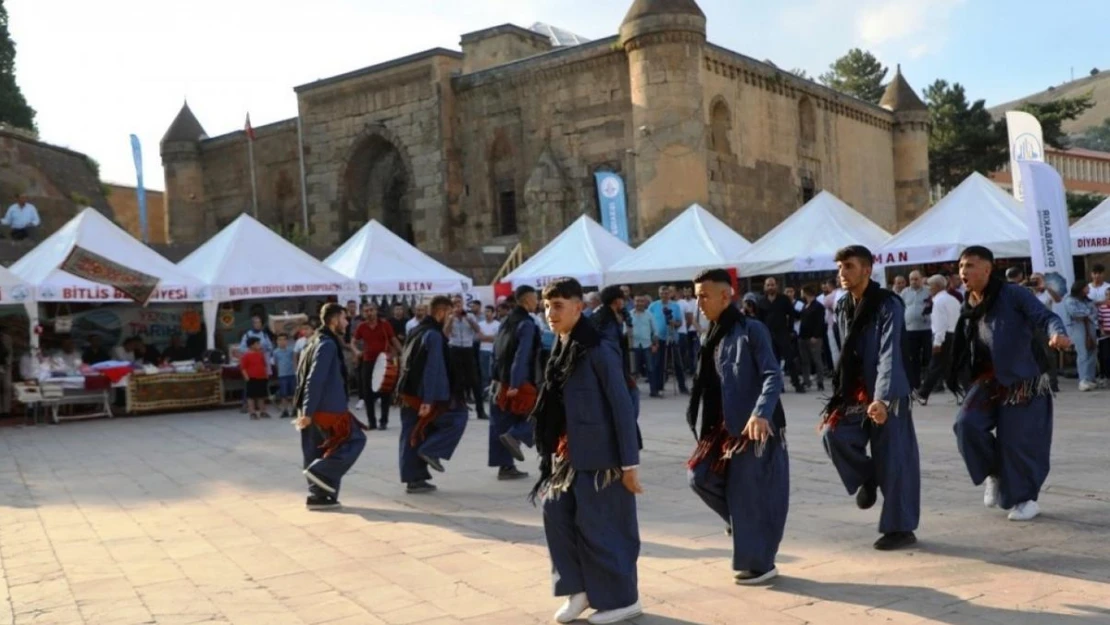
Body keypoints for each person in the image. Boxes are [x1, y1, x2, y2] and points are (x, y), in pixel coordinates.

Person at [533, 277, 641, 625]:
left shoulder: (598, 347)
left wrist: (628, 464)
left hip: (603, 455)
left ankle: (623, 599)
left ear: (579, 307)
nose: (551, 313)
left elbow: (622, 405)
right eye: (547, 306)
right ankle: (578, 589)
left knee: (601, 528)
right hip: (570, 453)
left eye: (558, 305)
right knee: (554, 509)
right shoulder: (561, 345)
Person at [950, 246, 1070, 522]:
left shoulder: (1013, 293)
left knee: (1018, 444)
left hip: (1022, 381)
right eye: (960, 267)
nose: (963, 272)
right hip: (989, 380)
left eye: (969, 265)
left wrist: (1057, 335)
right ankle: (993, 472)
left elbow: (1047, 318)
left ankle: (1025, 500)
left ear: (987, 269)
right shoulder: (968, 302)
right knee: (966, 425)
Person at [687, 269, 788, 585]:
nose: (698, 302)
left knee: (751, 494)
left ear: (725, 296)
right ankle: (740, 522)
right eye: (696, 295)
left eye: (703, 295)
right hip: (722, 427)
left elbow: (772, 374)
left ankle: (762, 565)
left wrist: (761, 413)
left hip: (752, 428)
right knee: (699, 476)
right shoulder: (710, 335)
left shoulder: (751, 330)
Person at [820, 245, 920, 551]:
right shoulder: (841, 305)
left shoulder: (888, 304)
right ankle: (867, 476)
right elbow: (838, 347)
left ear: (867, 269)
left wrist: (882, 398)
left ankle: (900, 528)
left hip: (888, 393)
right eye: (839, 268)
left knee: (895, 459)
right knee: (832, 433)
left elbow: (890, 352)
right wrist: (840, 391)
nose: (842, 273)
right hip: (855, 392)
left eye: (848, 266)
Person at [293, 303, 368, 510]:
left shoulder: (312, 342)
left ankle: (319, 497)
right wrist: (308, 412)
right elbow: (314, 379)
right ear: (334, 320)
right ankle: (321, 473)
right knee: (355, 439)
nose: (347, 323)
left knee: (318, 450)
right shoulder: (326, 344)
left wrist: (305, 409)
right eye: (344, 318)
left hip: (314, 406)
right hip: (326, 408)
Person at [395, 296, 469, 494]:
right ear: (441, 312)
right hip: (423, 395)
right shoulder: (433, 335)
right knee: (458, 417)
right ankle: (432, 451)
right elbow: (432, 367)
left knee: (412, 433)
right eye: (449, 314)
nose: (450, 318)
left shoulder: (415, 330)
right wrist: (428, 400)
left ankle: (414, 479)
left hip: (408, 391)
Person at [489, 286, 541, 481]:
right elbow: (522, 355)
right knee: (541, 412)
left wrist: (494, 378)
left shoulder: (505, 321)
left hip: (500, 379)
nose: (537, 303)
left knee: (502, 421)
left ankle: (505, 466)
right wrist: (516, 383)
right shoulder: (527, 324)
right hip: (518, 380)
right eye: (535, 299)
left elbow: (496, 351)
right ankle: (517, 435)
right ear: (527, 301)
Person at [592, 285, 641, 428]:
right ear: (617, 301)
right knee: (632, 394)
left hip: (612, 365)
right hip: (611, 367)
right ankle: (627, 426)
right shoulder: (606, 320)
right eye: (622, 299)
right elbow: (609, 345)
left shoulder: (605, 315)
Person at [354, 303, 402, 429]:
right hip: (367, 361)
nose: (369, 313)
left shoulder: (385, 324)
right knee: (367, 393)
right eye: (366, 311)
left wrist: (402, 353)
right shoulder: (361, 326)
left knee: (385, 391)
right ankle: (372, 422)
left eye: (371, 310)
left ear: (376, 311)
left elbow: (393, 339)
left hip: (383, 361)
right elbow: (353, 341)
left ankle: (384, 421)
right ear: (363, 313)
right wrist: (356, 351)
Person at [915, 275, 960, 405]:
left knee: (935, 366)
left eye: (929, 285)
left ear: (936, 287)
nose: (928, 288)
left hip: (943, 336)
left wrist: (937, 342)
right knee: (948, 367)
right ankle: (959, 392)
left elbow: (941, 324)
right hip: (954, 335)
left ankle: (923, 394)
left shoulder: (939, 302)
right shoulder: (952, 299)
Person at [445, 295, 489, 420]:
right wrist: (451, 319)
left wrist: (467, 318)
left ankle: (480, 410)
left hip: (468, 349)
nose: (457, 306)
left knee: (475, 380)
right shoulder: (449, 317)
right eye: (454, 303)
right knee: (457, 380)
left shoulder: (470, 316)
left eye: (459, 303)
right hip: (454, 348)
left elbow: (477, 330)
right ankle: (460, 409)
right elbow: (445, 333)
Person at [757, 277, 803, 393]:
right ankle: (779, 385)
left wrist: (790, 329)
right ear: (765, 287)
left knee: (789, 359)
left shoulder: (784, 299)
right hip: (768, 335)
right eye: (768, 285)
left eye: (772, 285)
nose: (770, 287)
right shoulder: (761, 301)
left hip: (783, 333)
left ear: (776, 286)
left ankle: (796, 384)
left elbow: (791, 314)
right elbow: (759, 319)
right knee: (773, 362)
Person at [648, 286, 687, 397]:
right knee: (658, 363)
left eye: (666, 293)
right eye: (662, 293)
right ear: (659, 294)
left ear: (669, 294)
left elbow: (680, 322)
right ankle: (658, 386)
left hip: (673, 337)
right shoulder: (653, 306)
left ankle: (682, 386)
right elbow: (649, 321)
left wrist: (674, 323)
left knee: (678, 363)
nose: (664, 295)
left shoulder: (675, 306)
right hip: (658, 338)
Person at [1063, 281, 1098, 392]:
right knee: (1082, 353)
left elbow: (1094, 313)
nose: (1088, 288)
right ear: (1081, 288)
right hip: (1078, 329)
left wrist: (1086, 313)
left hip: (1091, 328)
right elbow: (1075, 313)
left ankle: (1091, 379)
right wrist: (1087, 312)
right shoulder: (1070, 300)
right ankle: (1083, 380)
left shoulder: (1088, 300)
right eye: (1086, 286)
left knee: (1092, 352)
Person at [900, 270, 931, 391]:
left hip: (926, 329)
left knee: (927, 357)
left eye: (916, 279)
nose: (914, 281)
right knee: (913, 358)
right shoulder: (905, 292)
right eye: (912, 279)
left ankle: (928, 384)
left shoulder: (928, 291)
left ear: (921, 279)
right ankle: (915, 384)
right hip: (910, 330)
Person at [797, 284, 826, 392]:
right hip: (803, 336)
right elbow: (800, 317)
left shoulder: (818, 306)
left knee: (817, 359)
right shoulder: (805, 305)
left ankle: (820, 381)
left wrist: (816, 335)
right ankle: (806, 380)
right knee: (805, 360)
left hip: (813, 337)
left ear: (806, 293)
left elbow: (820, 323)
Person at [241, 337, 271, 420]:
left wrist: (266, 374)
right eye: (257, 344)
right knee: (251, 396)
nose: (259, 345)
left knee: (261, 395)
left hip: (261, 377)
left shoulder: (260, 354)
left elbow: (264, 365)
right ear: (251, 345)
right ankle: (252, 412)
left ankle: (262, 411)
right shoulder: (246, 355)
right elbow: (243, 368)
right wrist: (247, 377)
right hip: (252, 378)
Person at [477, 305, 500, 400]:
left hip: (493, 351)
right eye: (485, 312)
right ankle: (484, 394)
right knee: (484, 374)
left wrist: (485, 338)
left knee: (492, 374)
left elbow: (496, 338)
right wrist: (489, 338)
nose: (487, 314)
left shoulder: (497, 324)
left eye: (489, 311)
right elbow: (479, 337)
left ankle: (493, 392)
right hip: (483, 351)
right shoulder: (480, 324)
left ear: (493, 313)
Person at [272, 333, 297, 418]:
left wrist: (295, 371)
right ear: (277, 341)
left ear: (287, 341)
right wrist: (279, 373)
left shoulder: (291, 350)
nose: (282, 342)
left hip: (292, 374)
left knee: (294, 393)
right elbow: (276, 363)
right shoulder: (275, 352)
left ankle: (294, 409)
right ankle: (285, 410)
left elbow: (294, 360)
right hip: (282, 375)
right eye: (280, 340)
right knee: (284, 394)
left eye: (284, 339)